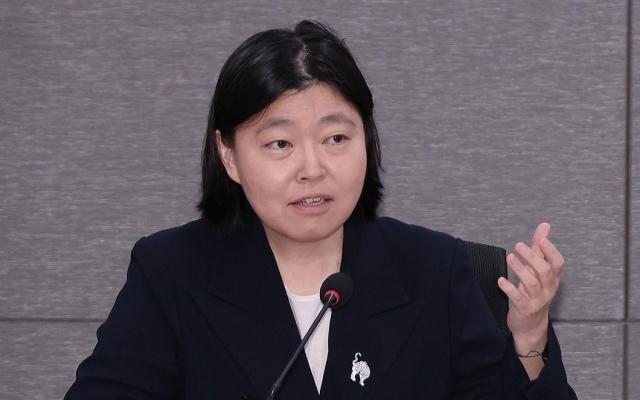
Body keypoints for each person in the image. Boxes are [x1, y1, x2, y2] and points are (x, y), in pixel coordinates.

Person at [65, 20, 577, 399]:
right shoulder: (172, 272)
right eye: (280, 144)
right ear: (230, 156)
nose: (312, 169)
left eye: (336, 138)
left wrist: (529, 337)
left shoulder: (436, 270)